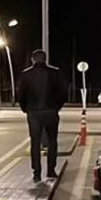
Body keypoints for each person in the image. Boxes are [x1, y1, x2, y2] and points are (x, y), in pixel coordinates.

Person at [16, 49, 68, 182]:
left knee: (35, 143)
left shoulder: (26, 74)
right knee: (52, 141)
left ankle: (37, 173)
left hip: (34, 113)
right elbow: (63, 92)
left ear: (33, 59)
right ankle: (51, 170)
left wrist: (25, 109)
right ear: (45, 59)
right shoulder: (55, 73)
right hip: (51, 112)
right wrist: (56, 107)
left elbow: (20, 94)